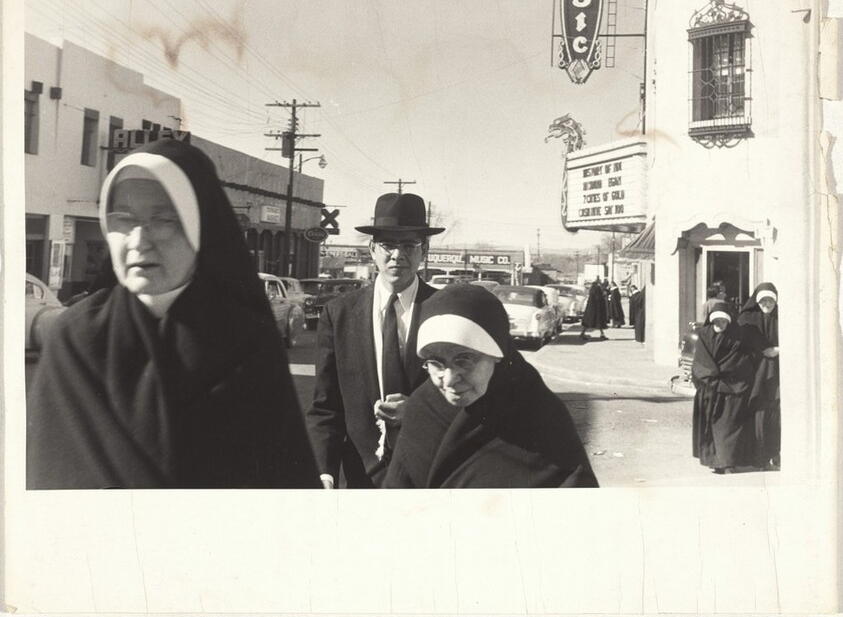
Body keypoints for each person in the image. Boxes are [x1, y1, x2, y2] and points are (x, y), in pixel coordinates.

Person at [27, 140, 321, 489]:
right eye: (122, 218)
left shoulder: (245, 338)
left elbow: (283, 485)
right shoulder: (74, 336)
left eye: (163, 219)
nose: (138, 240)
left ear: (200, 227)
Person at [382, 284, 598, 488]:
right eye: (436, 362)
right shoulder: (423, 408)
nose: (448, 380)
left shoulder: (541, 416)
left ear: (498, 355)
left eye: (464, 360)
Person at [307, 192, 445, 488]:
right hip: (362, 479)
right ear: (372, 249)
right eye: (388, 245)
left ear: (425, 250)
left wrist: (420, 411)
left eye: (409, 245)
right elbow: (325, 406)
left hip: (432, 476)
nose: (398, 255)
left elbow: (471, 399)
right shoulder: (339, 313)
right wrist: (324, 472)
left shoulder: (445, 310)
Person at [691, 300, 756, 474]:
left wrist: (725, 377)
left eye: (723, 321)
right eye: (716, 321)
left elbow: (741, 362)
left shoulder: (736, 338)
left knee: (728, 428)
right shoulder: (704, 335)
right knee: (710, 428)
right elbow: (700, 361)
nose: (719, 324)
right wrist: (711, 378)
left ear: (729, 321)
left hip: (731, 389)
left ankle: (728, 463)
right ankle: (714, 461)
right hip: (710, 388)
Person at [737, 282, 780, 470]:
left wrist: (778, 350)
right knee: (757, 414)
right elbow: (739, 347)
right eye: (763, 300)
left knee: (776, 414)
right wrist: (761, 351)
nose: (767, 304)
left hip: (778, 372)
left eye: (771, 300)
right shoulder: (746, 319)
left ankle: (774, 455)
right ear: (757, 301)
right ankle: (757, 456)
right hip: (755, 373)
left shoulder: (783, 317)